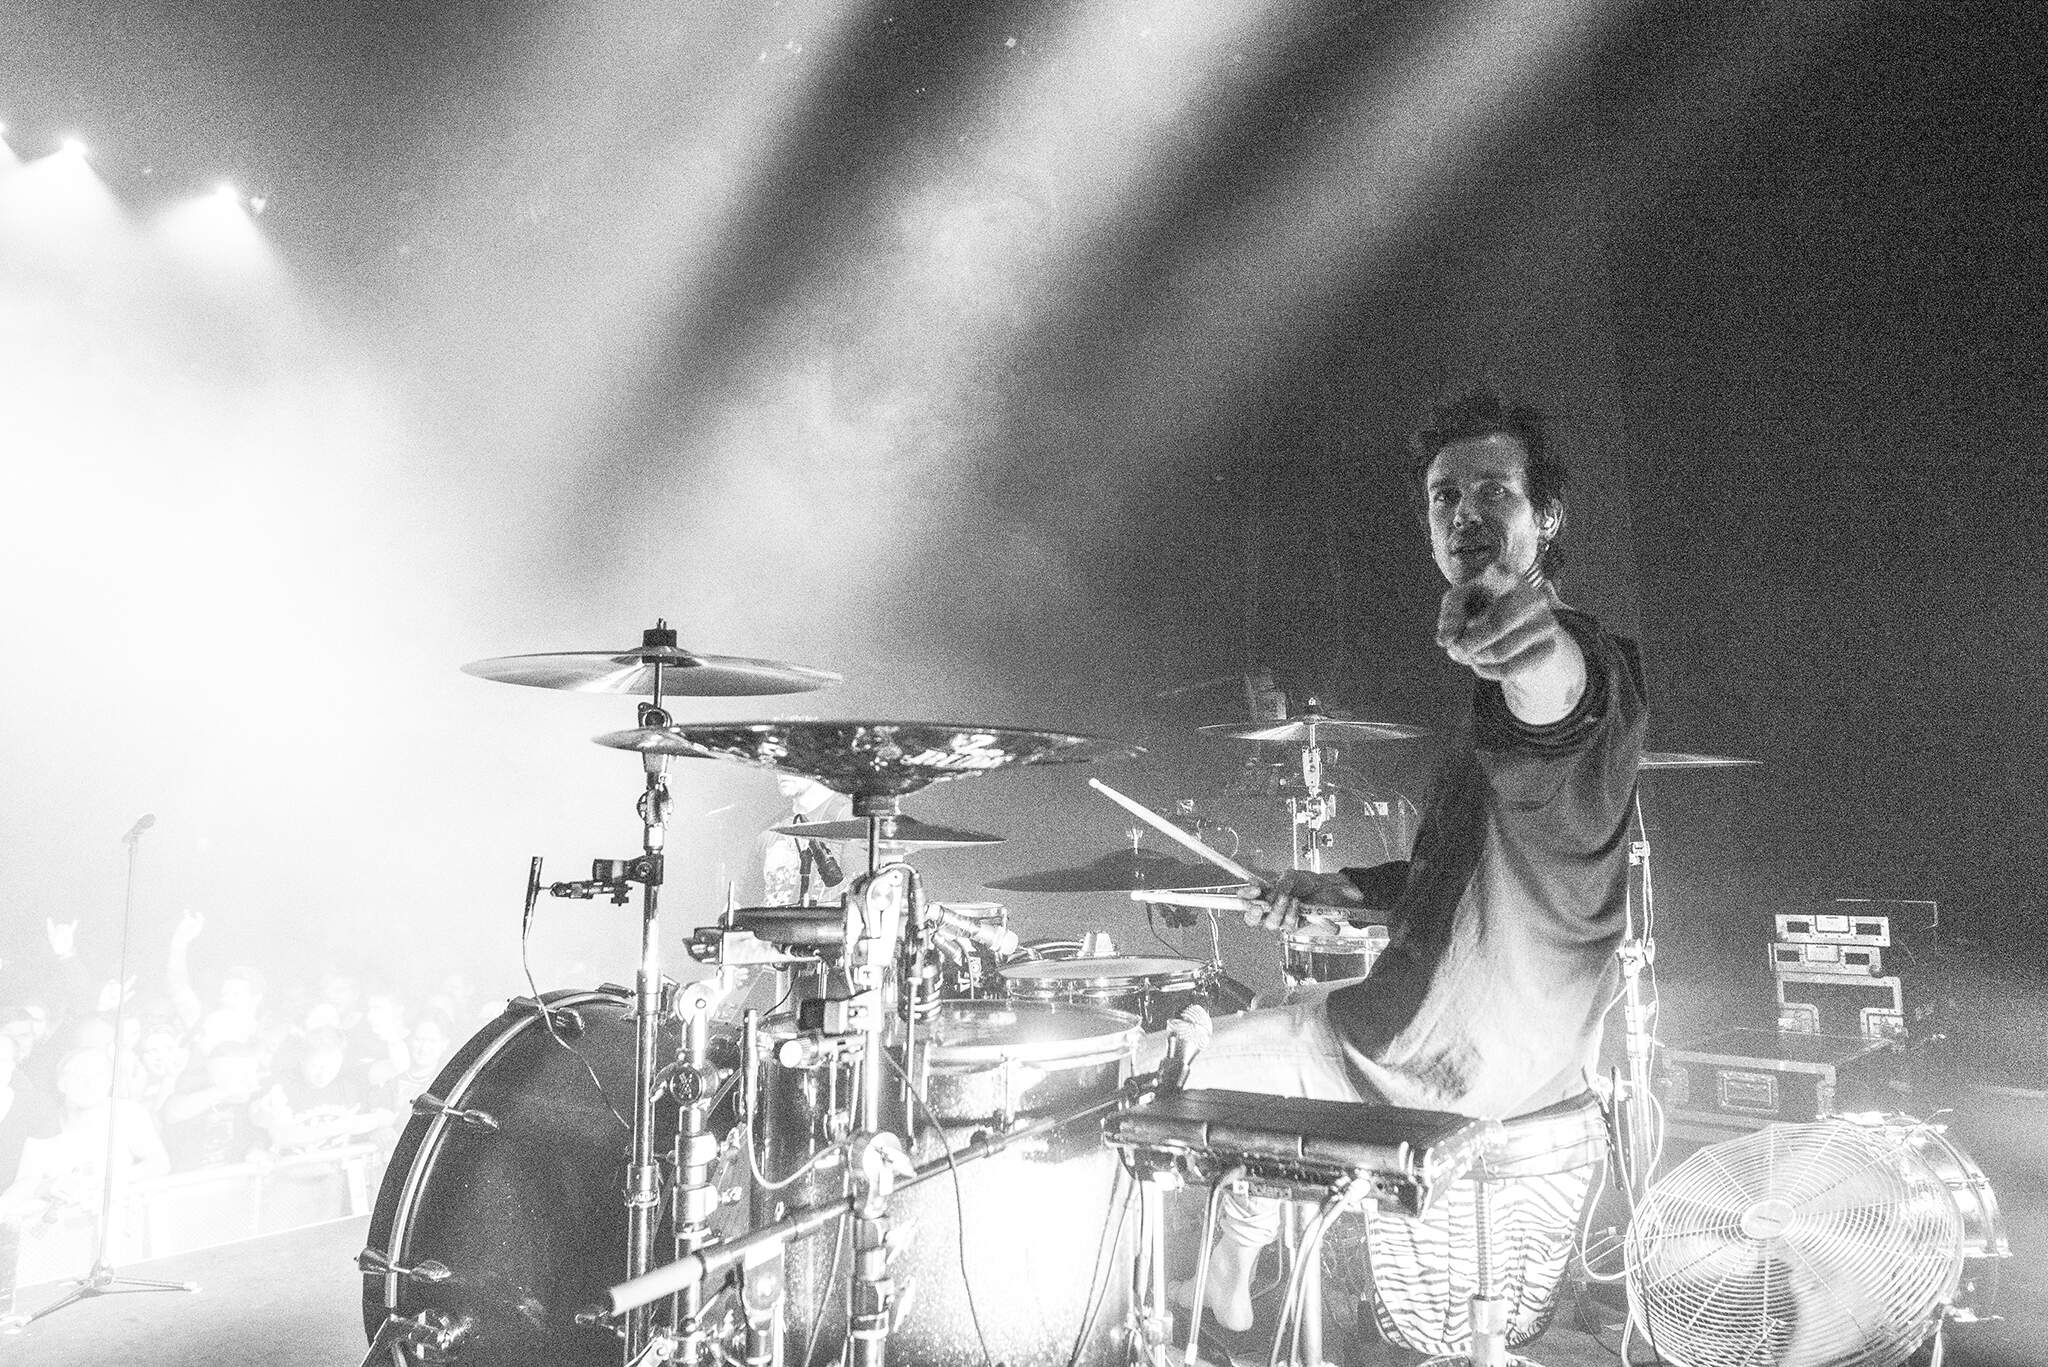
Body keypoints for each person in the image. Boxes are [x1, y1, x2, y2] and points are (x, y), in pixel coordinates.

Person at [1176, 389, 1647, 1338]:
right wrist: (1342, 889)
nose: (1464, 512)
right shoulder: (1491, 717)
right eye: (1445, 496)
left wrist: (1523, 645)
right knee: (1288, 1021)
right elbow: (1465, 874)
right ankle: (1241, 1259)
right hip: (1526, 1046)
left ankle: (1231, 1265)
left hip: (1452, 1055)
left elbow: (1559, 696)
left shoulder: (1588, 662)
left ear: (1548, 516)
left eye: (1493, 491)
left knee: (1196, 1058)